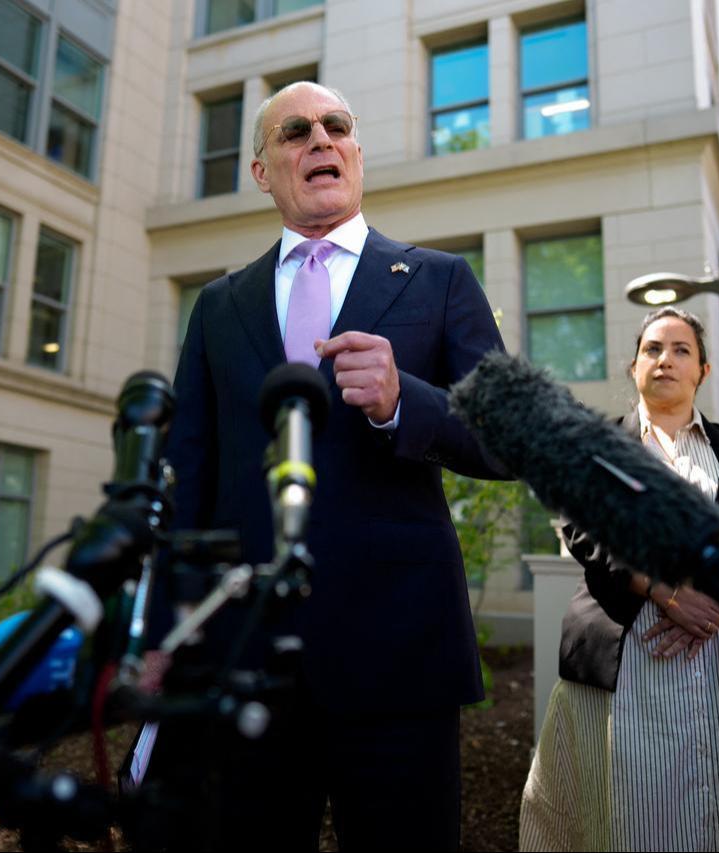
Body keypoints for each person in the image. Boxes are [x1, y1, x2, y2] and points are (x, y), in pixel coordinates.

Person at [156, 81, 505, 850]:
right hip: (246, 661)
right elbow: (190, 471)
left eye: (336, 126)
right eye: (294, 132)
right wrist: (168, 629)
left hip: (398, 658)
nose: (320, 138)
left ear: (355, 153)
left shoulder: (439, 281)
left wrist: (402, 400)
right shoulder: (219, 305)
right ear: (261, 170)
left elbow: (505, 438)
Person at [518, 306, 719, 852]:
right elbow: (584, 530)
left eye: (681, 350)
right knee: (619, 813)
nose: (665, 360)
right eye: (652, 349)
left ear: (703, 370)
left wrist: (713, 601)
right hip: (626, 657)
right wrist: (664, 592)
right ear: (634, 368)